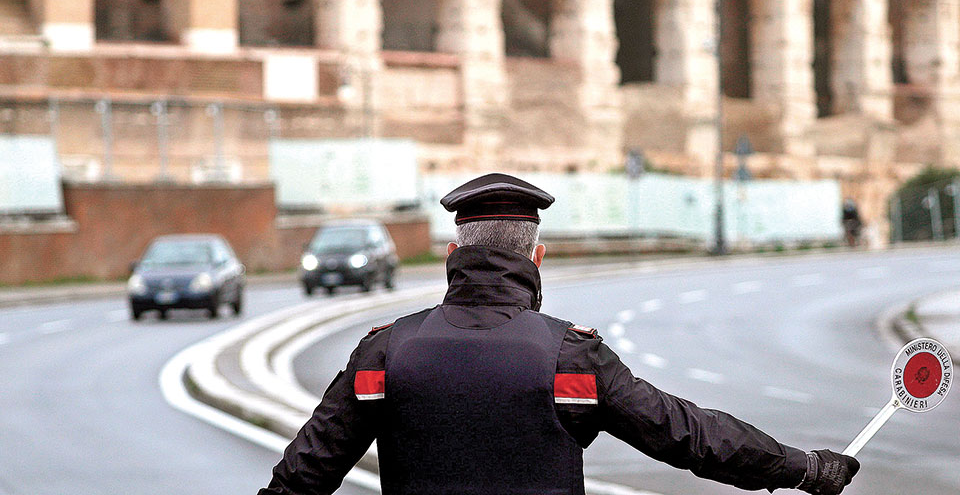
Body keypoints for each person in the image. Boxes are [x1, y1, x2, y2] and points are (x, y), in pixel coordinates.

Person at [259, 173, 860, 495]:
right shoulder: (571, 359)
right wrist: (802, 468)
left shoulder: (384, 354)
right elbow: (688, 436)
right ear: (537, 257)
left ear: (451, 255)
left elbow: (303, 477)